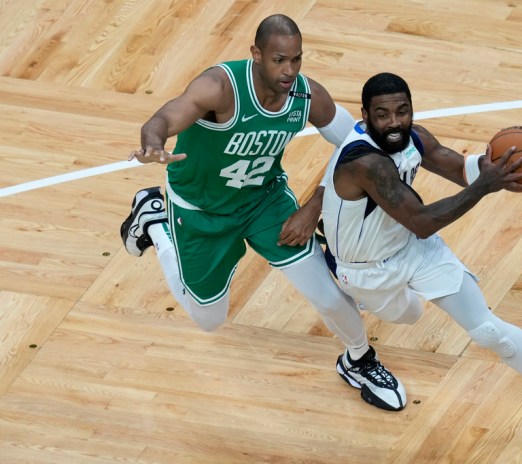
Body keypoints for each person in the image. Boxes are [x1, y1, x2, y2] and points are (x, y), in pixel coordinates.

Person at [119, 15, 406, 411]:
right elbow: (167, 116)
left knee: (327, 295)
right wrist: (153, 143)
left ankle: (359, 358)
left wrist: (314, 204)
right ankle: (156, 223)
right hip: (202, 211)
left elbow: (359, 145)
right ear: (256, 55)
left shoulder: (307, 97)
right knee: (209, 320)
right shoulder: (220, 87)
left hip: (264, 202)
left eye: (296, 60)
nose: (289, 71)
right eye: (279, 60)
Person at [320, 72, 522, 450]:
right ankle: (342, 299)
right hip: (368, 269)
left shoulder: (414, 137)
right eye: (382, 114)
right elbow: (423, 221)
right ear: (365, 115)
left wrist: (495, 168)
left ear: (410, 109)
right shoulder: (366, 163)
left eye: (402, 111)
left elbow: (458, 168)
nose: (394, 123)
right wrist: (484, 187)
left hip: (412, 249)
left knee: (487, 329)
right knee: (407, 316)